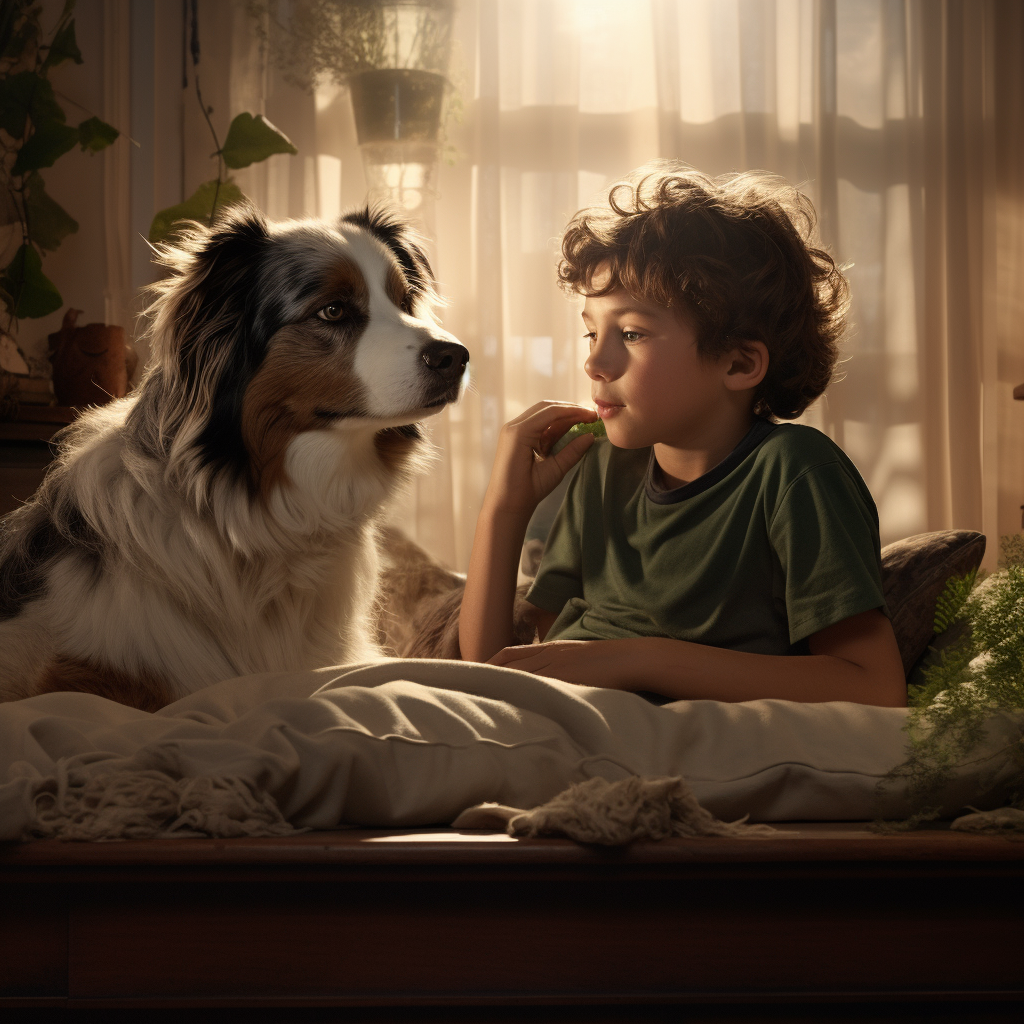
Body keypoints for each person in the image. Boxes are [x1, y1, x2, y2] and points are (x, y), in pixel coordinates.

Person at [459, 164, 907, 708]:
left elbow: (875, 687)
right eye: (591, 330)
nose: (595, 361)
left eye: (631, 333)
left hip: (668, 733)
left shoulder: (794, 470)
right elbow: (496, 670)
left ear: (740, 363)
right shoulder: (601, 466)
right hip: (561, 719)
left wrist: (639, 658)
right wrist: (505, 507)